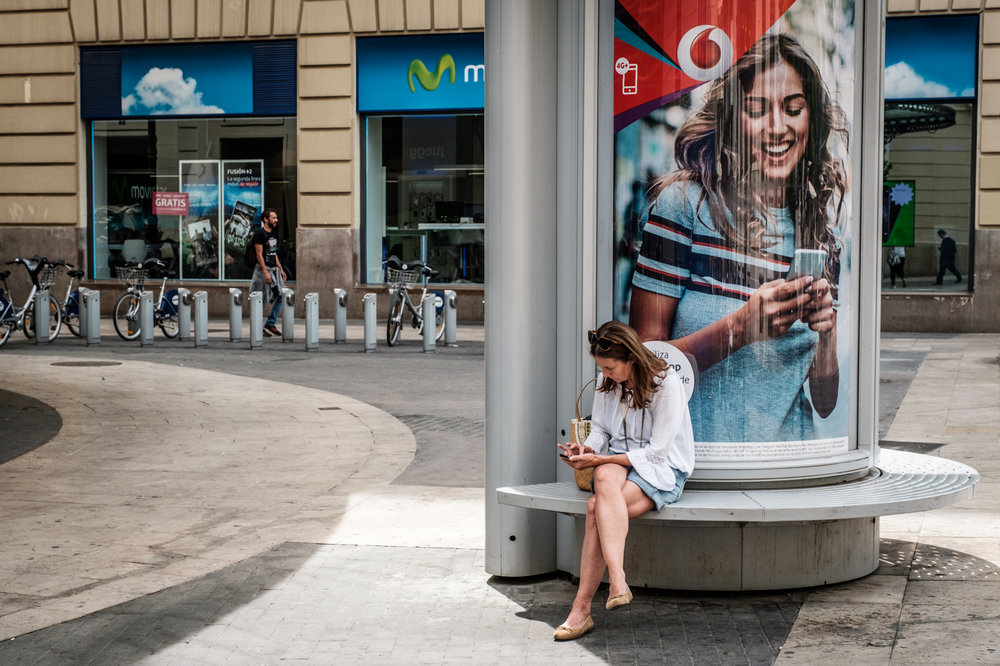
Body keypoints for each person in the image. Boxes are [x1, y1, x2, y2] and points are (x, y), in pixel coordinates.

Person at [628, 33, 847, 444]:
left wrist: (826, 334)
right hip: (698, 468)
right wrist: (741, 328)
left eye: (793, 109)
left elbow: (824, 401)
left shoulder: (818, 235)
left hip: (790, 468)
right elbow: (639, 368)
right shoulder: (685, 207)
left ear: (811, 119)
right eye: (757, 110)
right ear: (732, 119)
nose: (778, 128)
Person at [553, 321, 695, 641]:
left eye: (610, 368)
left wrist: (600, 461)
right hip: (619, 461)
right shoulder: (608, 381)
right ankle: (617, 580)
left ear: (631, 357)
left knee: (595, 508)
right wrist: (588, 450)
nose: (605, 374)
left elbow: (656, 453)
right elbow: (602, 430)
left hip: (662, 468)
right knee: (603, 475)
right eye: (601, 368)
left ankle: (582, 609)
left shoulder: (665, 383)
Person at [250, 208, 287, 337]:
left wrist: (281, 269)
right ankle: (258, 328)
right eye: (273, 218)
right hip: (262, 270)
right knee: (260, 299)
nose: (276, 220)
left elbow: (273, 253)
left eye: (276, 218)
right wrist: (265, 272)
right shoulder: (260, 234)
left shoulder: (273, 234)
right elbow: (259, 255)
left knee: (281, 295)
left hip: (273, 269)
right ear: (266, 219)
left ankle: (270, 323)